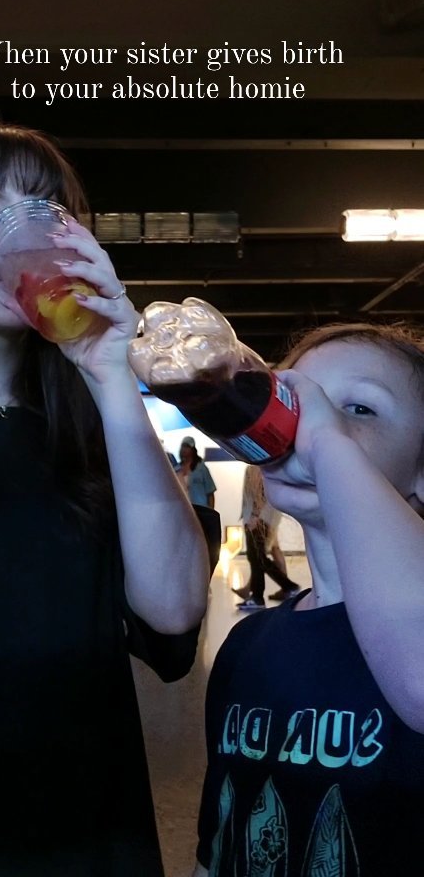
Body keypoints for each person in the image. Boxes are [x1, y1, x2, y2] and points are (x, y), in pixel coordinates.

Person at [0, 117, 210, 877]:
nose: (20, 234)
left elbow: (173, 611)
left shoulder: (94, 430)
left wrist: (111, 373)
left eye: (45, 212)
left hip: (83, 829)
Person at [193, 321, 424, 876]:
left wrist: (325, 442)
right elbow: (218, 841)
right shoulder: (247, 645)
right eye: (296, 401)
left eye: (359, 410)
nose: (310, 425)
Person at [233, 465, 300, 610]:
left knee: (257, 557)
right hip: (261, 518)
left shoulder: (256, 468)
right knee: (258, 558)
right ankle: (284, 588)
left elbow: (260, 493)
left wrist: (256, 517)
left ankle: (262, 595)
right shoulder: (260, 467)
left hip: (258, 520)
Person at [177, 436, 217, 508]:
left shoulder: (201, 468)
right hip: (183, 510)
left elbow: (210, 493)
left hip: (200, 510)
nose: (184, 449)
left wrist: (211, 513)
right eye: (183, 446)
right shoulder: (176, 469)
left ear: (193, 449)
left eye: (187, 446)